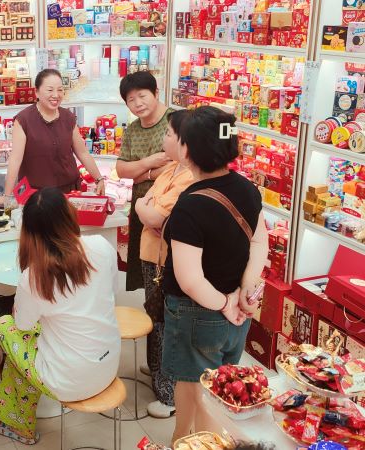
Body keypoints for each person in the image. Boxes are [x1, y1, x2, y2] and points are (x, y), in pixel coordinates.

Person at [160, 107, 268, 443]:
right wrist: (245, 290)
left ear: (188, 151)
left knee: (198, 389)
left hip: (199, 313)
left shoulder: (190, 205)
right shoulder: (247, 189)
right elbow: (259, 241)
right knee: (219, 384)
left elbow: (190, 279)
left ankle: (190, 441)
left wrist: (223, 303)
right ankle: (198, 438)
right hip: (237, 314)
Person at [0, 188, 121, 444]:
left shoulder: (33, 276)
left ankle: (17, 423)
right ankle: (14, 420)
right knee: (30, 345)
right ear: (69, 214)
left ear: (29, 231)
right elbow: (111, 292)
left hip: (67, 380)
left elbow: (22, 325)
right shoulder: (101, 246)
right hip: (108, 365)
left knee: (4, 325)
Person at [134, 121, 193, 418]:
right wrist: (144, 207)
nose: (164, 137)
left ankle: (168, 395)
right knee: (154, 314)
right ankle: (156, 370)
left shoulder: (189, 177)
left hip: (165, 259)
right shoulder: (171, 169)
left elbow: (154, 216)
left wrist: (146, 208)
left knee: (165, 321)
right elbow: (145, 205)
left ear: (184, 142)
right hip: (151, 254)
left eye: (169, 133)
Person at [0, 69, 105, 203]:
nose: (56, 95)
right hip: (36, 195)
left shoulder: (68, 117)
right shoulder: (24, 120)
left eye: (60, 90)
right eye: (50, 90)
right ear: (37, 92)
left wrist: (99, 178)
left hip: (69, 191)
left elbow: (83, 153)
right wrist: (7, 196)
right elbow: (15, 160)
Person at [116, 71, 174, 291]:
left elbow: (179, 167)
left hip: (170, 208)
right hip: (141, 207)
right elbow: (121, 170)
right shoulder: (132, 130)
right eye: (131, 99)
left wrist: (138, 172)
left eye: (142, 96)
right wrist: (151, 164)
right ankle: (151, 311)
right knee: (147, 273)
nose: (137, 103)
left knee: (169, 269)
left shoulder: (175, 122)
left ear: (156, 93)